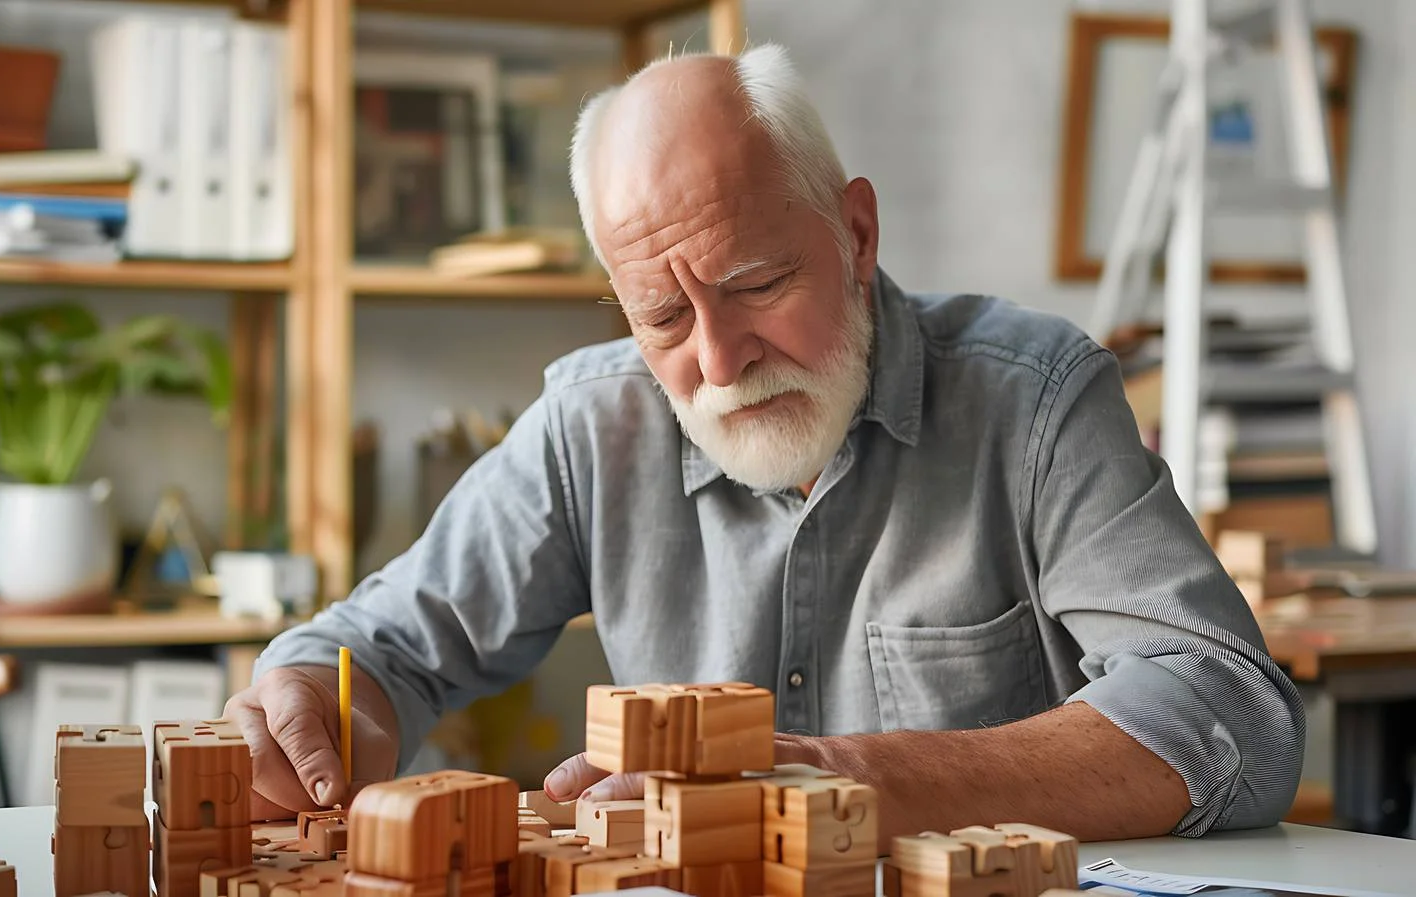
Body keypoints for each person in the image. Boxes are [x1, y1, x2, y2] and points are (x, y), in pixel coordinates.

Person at [225, 43, 1304, 846]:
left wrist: (838, 778)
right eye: (662, 317)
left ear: (856, 234)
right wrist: (313, 702)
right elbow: (383, 649)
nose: (720, 359)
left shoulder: (1036, 400)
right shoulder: (590, 425)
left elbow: (1228, 711)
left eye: (756, 284)